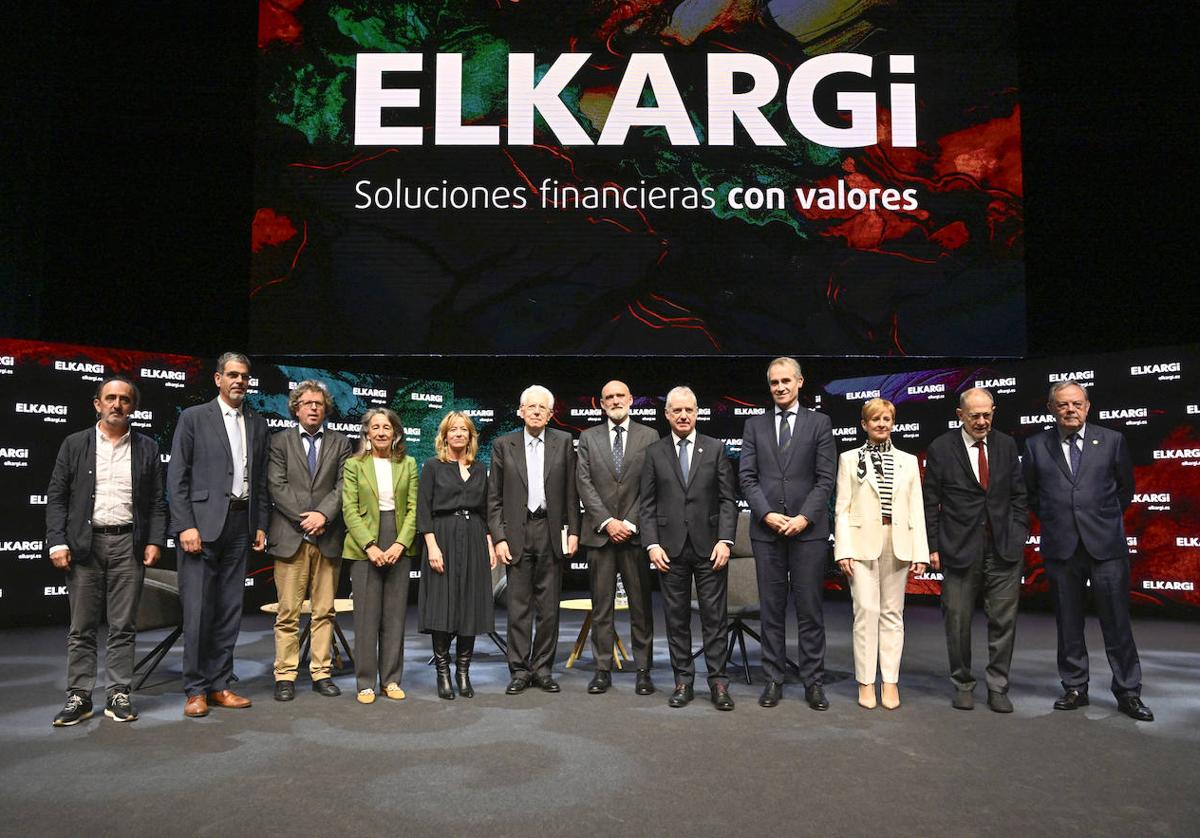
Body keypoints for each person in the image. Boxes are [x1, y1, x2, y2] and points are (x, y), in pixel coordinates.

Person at [1022, 380, 1153, 721]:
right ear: (1051, 408)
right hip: (1062, 548)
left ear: (1087, 406)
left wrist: (1102, 519)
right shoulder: (1036, 446)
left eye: (1077, 404)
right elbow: (1033, 495)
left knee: (1117, 623)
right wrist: (1061, 519)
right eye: (1063, 404)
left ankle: (1127, 691)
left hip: (1106, 546)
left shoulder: (1112, 440)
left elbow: (1125, 488)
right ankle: (1075, 686)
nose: (1070, 410)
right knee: (1068, 622)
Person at [45, 376, 168, 726]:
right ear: (97, 404)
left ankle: (119, 694)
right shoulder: (74, 444)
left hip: (129, 544)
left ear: (134, 406)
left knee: (123, 626)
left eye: (124, 399)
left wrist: (155, 541)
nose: (117, 404)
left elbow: (158, 502)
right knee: (82, 626)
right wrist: (57, 541)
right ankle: (79, 696)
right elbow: (57, 497)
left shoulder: (147, 447)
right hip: (84, 546)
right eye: (110, 398)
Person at [168, 352, 269, 718]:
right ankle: (195, 690)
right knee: (197, 611)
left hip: (241, 525)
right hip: (202, 526)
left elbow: (259, 481)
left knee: (229, 610)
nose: (239, 381)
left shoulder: (257, 423)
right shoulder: (194, 418)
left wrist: (260, 523)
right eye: (232, 375)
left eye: (244, 376)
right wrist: (185, 525)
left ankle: (220, 685)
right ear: (217, 379)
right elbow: (176, 477)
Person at [738, 357, 837, 709]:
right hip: (767, 533)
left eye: (785, 381)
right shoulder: (755, 425)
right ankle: (773, 679)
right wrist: (766, 515)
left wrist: (803, 518)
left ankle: (813, 681)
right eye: (774, 382)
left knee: (810, 610)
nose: (780, 387)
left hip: (807, 533)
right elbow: (746, 477)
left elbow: (826, 479)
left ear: (799, 383)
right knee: (772, 610)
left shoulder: (820, 423)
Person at [923, 388, 1029, 712]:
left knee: (1003, 621)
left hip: (1003, 548)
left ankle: (998, 686)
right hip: (958, 548)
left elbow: (1018, 495)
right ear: (960, 415)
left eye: (987, 414)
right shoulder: (941, 448)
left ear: (994, 411)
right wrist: (933, 545)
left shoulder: (1007, 445)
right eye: (974, 416)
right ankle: (963, 682)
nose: (982, 421)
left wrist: (1019, 531)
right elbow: (930, 502)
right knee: (957, 620)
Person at [640, 386, 738, 710]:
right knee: (676, 619)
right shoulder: (655, 453)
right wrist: (651, 544)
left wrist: (726, 540)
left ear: (697, 413)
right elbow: (647, 504)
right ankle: (683, 680)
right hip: (669, 550)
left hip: (710, 548)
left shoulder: (716, 448)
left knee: (714, 618)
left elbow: (727, 500)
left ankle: (719, 683)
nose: (683, 416)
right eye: (677, 411)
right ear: (667, 414)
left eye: (689, 410)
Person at [834, 398, 928, 710]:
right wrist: (842, 549)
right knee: (866, 612)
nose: (882, 424)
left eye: (886, 419)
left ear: (893, 423)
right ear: (864, 424)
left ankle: (890, 681)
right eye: (875, 419)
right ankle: (865, 682)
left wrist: (921, 552)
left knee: (892, 614)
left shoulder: (908, 461)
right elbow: (842, 509)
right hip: (861, 542)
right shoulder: (849, 459)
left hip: (898, 540)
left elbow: (917, 508)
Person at [487, 385, 580, 694]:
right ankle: (519, 670)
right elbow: (494, 498)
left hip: (551, 531)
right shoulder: (503, 444)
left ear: (551, 414)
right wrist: (498, 537)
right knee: (518, 607)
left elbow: (571, 491)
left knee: (549, 608)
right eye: (531, 406)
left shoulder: (564, 442)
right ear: (521, 410)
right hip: (516, 533)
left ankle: (542, 669)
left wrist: (575, 531)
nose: (537, 411)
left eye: (543, 407)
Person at [266, 380, 353, 702]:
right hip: (291, 537)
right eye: (307, 403)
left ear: (326, 408)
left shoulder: (341, 443)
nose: (314, 407)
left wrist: (323, 516)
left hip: (328, 537)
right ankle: (286, 675)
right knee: (287, 612)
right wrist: (306, 518)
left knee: (324, 611)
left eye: (319, 403)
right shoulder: (279, 442)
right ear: (296, 408)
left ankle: (321, 672)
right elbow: (276, 486)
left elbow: (344, 486)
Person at [575, 380, 659, 695]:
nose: (614, 400)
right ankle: (601, 670)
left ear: (631, 400)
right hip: (600, 537)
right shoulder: (587, 438)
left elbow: (651, 485)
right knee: (601, 608)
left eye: (619, 396)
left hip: (636, 537)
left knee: (641, 607)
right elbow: (583, 482)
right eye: (608, 397)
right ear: (601, 403)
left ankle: (643, 670)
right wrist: (609, 522)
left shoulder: (649, 436)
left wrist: (630, 523)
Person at [417, 412, 497, 699]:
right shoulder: (432, 466)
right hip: (443, 537)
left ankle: (463, 673)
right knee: (443, 605)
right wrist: (432, 545)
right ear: (445, 435)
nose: (459, 434)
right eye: (454, 430)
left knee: (469, 607)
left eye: (464, 430)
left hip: (474, 537)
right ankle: (443, 673)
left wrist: (489, 542)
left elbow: (486, 510)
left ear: (471, 436)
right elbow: (423, 510)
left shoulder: (479, 468)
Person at [341, 408, 418, 704]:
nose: (382, 432)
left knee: (395, 618)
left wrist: (400, 544)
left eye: (387, 427)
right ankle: (365, 683)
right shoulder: (354, 465)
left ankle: (391, 680)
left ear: (396, 432)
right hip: (364, 547)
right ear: (367, 433)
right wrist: (370, 546)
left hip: (399, 541)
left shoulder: (409, 463)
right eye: (376, 427)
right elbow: (349, 508)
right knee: (366, 619)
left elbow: (413, 509)